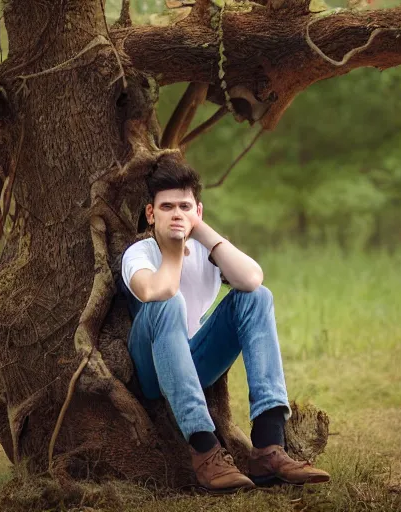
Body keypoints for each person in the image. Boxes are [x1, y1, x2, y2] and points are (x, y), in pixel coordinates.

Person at [120, 152, 330, 491]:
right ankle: (205, 450)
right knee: (168, 300)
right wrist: (173, 251)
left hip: (194, 362)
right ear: (150, 213)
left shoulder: (205, 251)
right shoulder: (139, 254)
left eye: (185, 207)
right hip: (152, 368)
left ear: (198, 212)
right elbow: (154, 290)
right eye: (167, 207)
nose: (177, 214)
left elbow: (251, 278)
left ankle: (268, 445)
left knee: (257, 297)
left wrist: (202, 232)